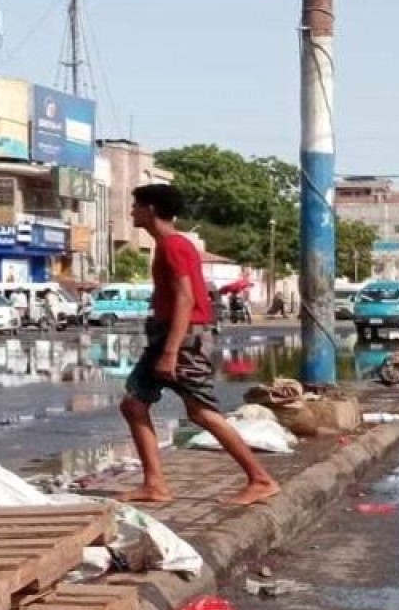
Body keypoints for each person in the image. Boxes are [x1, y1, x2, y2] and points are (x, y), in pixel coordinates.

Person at [118, 185, 279, 506]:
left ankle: (260, 479)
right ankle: (155, 485)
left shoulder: (174, 246)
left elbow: (186, 297)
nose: (132, 211)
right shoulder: (168, 245)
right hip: (168, 334)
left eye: (136, 205)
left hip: (184, 338)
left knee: (202, 412)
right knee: (134, 404)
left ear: (151, 209)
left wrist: (170, 351)